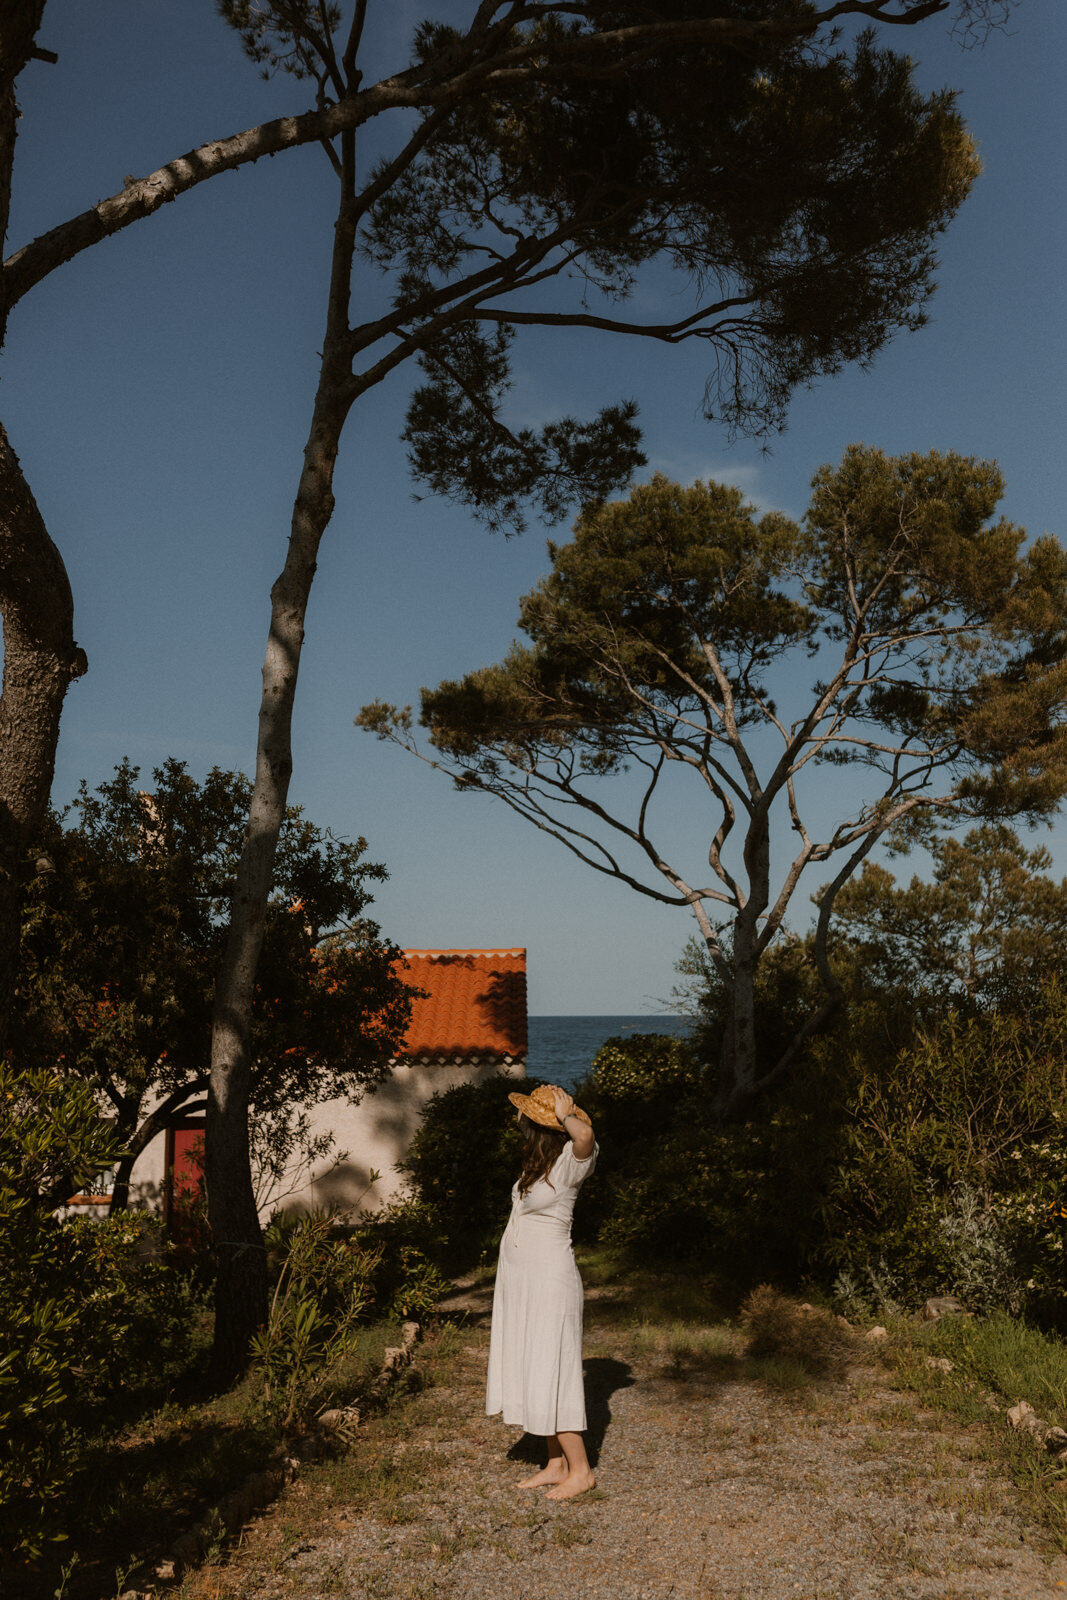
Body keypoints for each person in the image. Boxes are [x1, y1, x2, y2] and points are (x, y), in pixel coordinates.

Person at [485, 1080, 599, 1500]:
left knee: (554, 1368)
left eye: (527, 1118)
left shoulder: (572, 1161)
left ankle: (581, 1470)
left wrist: (566, 1112)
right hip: (523, 1280)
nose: (519, 1122)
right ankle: (555, 1464)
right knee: (536, 1365)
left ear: (542, 1127)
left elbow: (585, 1136)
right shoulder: (537, 1168)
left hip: (551, 1281)